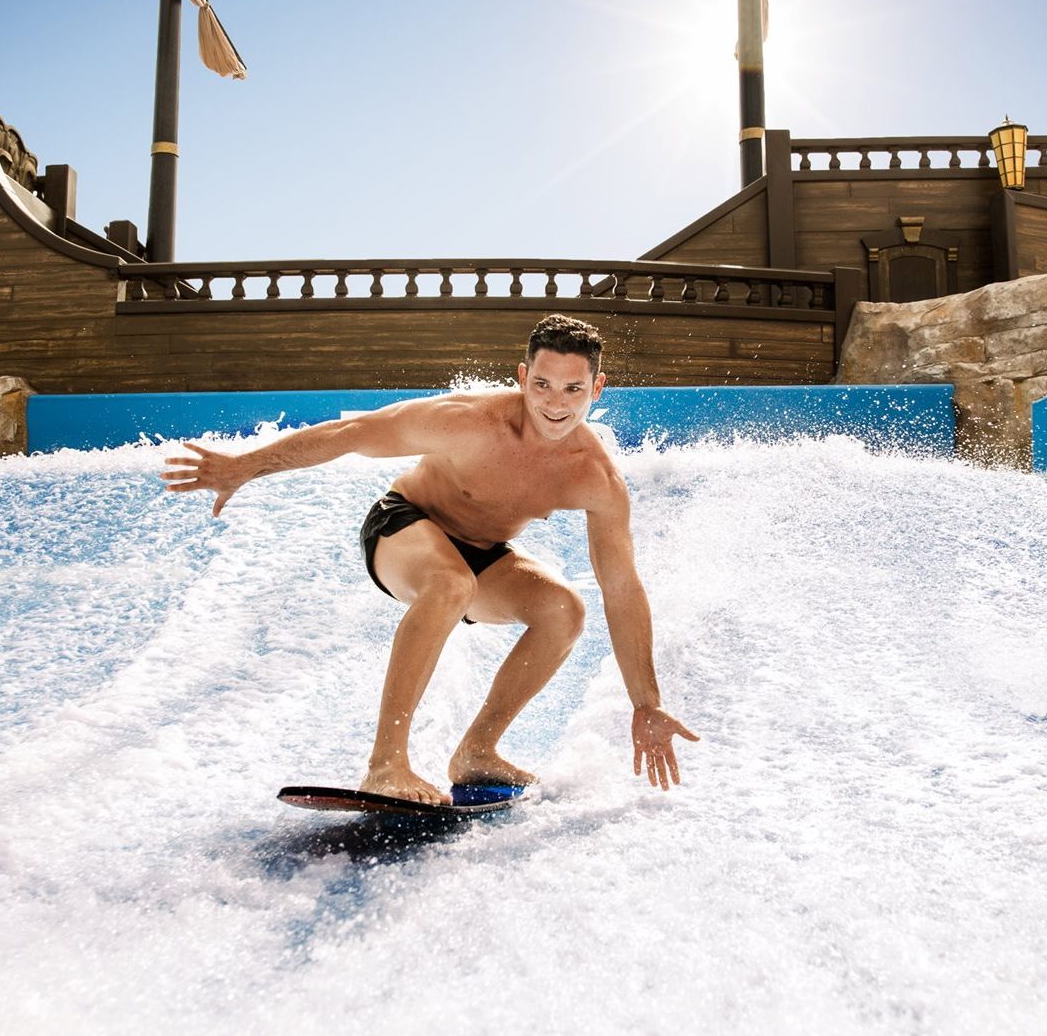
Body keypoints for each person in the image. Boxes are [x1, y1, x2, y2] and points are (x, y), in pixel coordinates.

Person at [161, 314, 698, 804]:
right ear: (522, 377)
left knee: (564, 610)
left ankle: (476, 753)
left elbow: (621, 588)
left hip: (482, 553)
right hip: (402, 526)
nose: (555, 403)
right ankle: (385, 764)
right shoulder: (467, 421)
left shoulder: (595, 477)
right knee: (448, 582)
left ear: (596, 389)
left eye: (573, 389)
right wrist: (244, 467)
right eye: (542, 384)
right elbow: (351, 434)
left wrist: (645, 703)